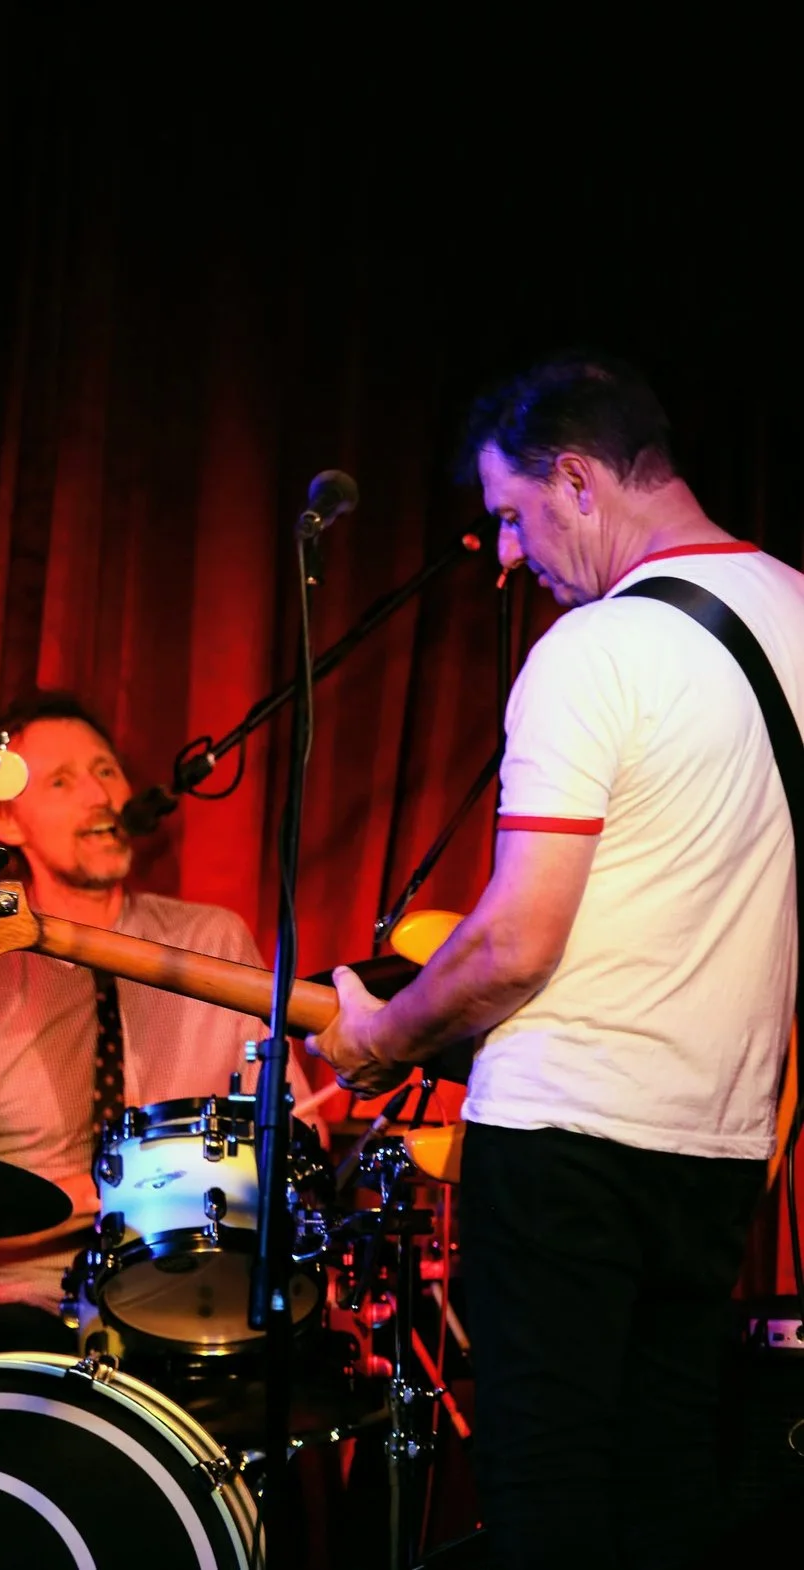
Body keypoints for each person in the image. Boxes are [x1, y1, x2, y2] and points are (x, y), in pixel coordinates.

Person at [315, 354, 795, 1570]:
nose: (513, 556)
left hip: (570, 1146)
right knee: (665, 1499)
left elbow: (518, 939)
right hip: (721, 1146)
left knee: (549, 1503)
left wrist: (383, 1035)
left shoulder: (597, 650)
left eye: (514, 517)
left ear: (576, 481)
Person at [0, 691, 330, 1357]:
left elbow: (301, 1134)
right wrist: (133, 1183)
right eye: (62, 782)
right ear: (5, 820)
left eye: (105, 771)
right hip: (25, 1302)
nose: (97, 796)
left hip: (201, 1290)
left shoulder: (210, 942)